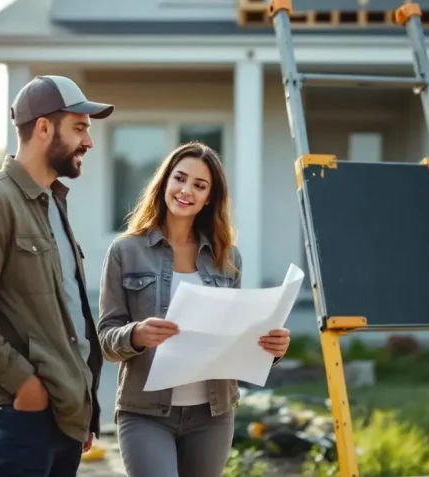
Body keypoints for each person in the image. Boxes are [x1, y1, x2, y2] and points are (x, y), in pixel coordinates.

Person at [0, 75, 114, 477]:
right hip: (14, 418)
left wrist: (80, 406)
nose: (89, 141)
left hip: (61, 418)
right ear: (44, 127)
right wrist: (23, 383)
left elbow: (65, 311)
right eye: (79, 128)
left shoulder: (52, 203)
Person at [97, 142, 291, 477]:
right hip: (145, 413)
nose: (186, 190)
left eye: (199, 185)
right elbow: (105, 338)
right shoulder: (125, 250)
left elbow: (234, 337)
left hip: (211, 416)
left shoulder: (227, 257)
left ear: (209, 198)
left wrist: (270, 348)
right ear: (165, 182)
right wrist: (137, 334)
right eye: (180, 178)